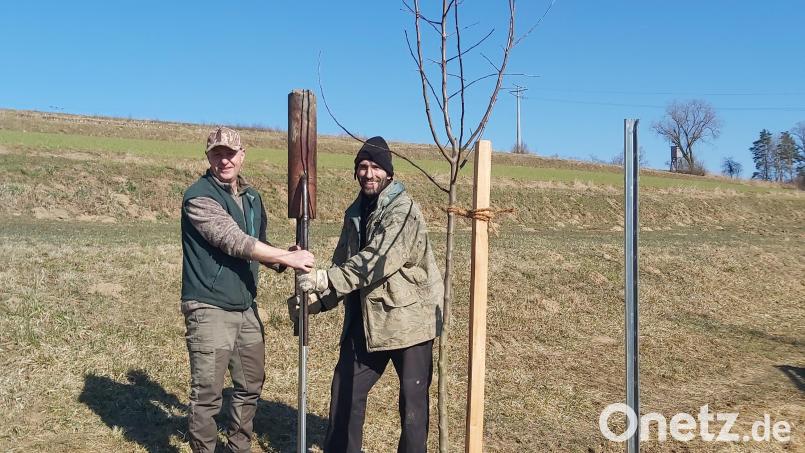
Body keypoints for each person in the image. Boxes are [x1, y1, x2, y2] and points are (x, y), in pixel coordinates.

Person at [296, 136, 443, 453]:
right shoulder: (355, 212)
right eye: (362, 166)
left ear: (389, 173)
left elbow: (376, 261)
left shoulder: (403, 211)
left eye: (376, 167)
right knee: (345, 392)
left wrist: (325, 279)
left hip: (410, 320)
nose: (368, 173)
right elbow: (343, 264)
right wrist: (319, 299)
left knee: (413, 408)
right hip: (367, 320)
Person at [181, 126, 315, 453]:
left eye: (230, 153)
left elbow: (258, 243)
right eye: (217, 154)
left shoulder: (252, 198)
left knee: (250, 385)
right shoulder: (199, 197)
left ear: (242, 156)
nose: (224, 160)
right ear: (208, 158)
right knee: (207, 395)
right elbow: (234, 241)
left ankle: (238, 447)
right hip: (209, 308)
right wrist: (286, 257)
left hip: (246, 307)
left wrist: (282, 257)